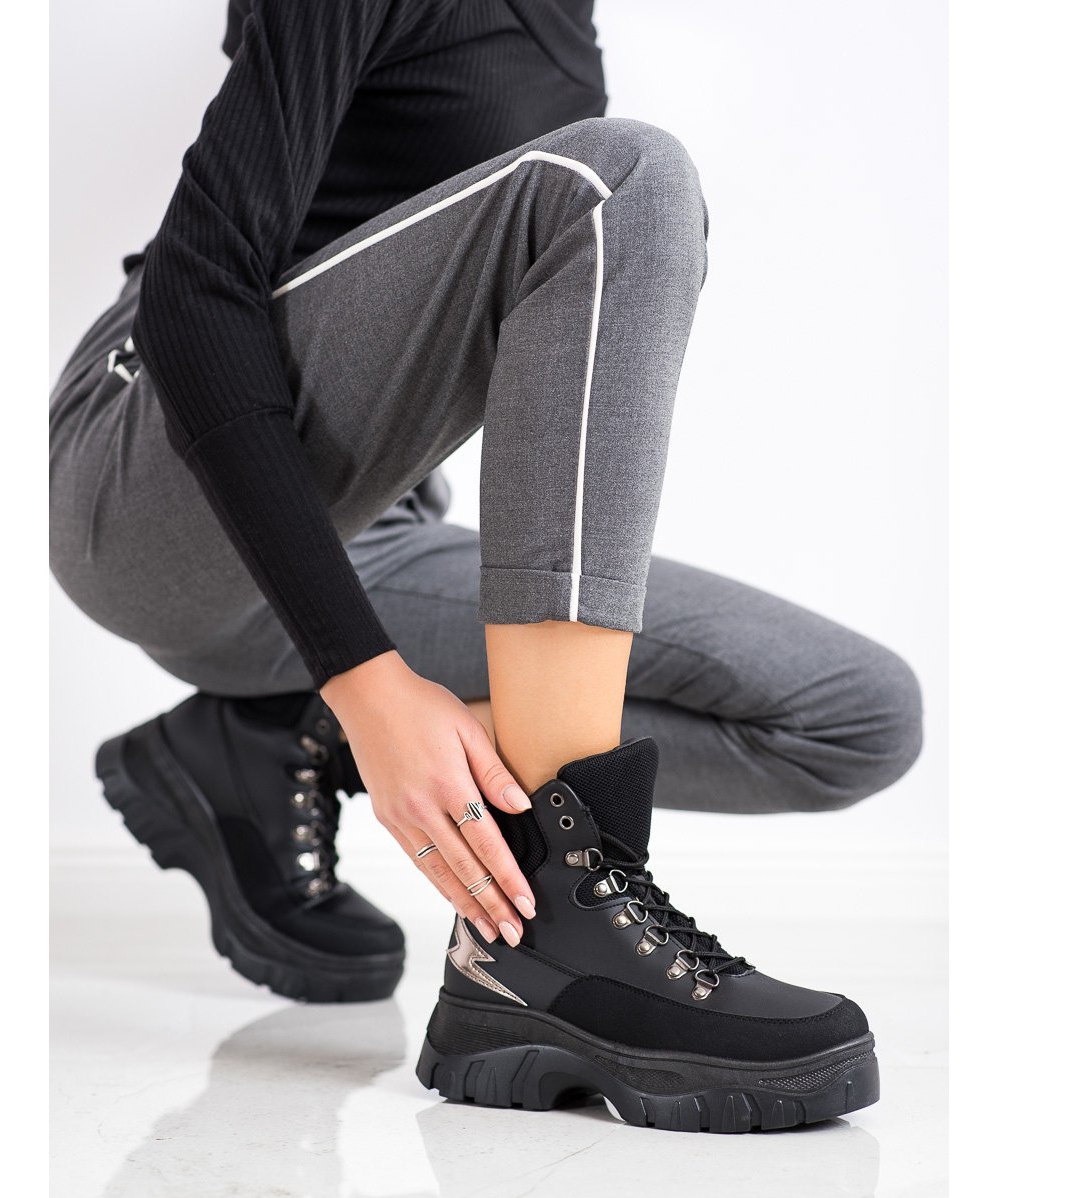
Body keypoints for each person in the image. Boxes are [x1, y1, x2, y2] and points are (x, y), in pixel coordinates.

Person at [51, 0, 922, 1132]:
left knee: (853, 717)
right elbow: (195, 289)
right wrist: (366, 678)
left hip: (357, 537)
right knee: (619, 182)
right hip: (148, 474)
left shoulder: (569, 24)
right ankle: (556, 922)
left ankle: (276, 737)